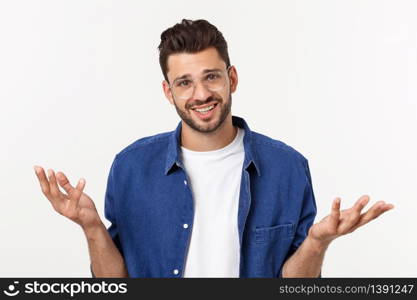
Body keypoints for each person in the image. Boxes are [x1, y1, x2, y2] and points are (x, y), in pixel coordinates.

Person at [34, 19, 394, 278]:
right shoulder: (131, 167)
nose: (201, 94)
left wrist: (317, 242)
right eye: (184, 82)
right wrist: (92, 227)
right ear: (168, 92)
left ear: (231, 78)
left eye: (211, 77)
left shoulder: (287, 167)